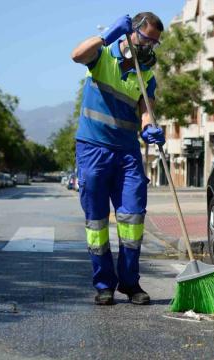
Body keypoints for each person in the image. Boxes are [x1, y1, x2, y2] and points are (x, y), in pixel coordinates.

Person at [70, 12, 165, 306]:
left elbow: (145, 108)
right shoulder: (103, 57)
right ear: (132, 31)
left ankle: (130, 283)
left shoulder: (145, 72)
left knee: (133, 217)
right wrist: (106, 35)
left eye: (155, 42)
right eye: (146, 38)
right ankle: (104, 285)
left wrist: (151, 127)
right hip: (93, 149)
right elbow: (76, 55)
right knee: (97, 221)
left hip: (127, 153)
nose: (149, 46)